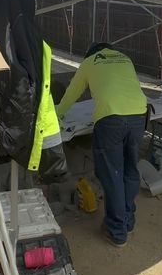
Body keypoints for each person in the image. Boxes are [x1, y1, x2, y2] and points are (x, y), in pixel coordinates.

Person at [57, 42, 148, 246]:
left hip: (111, 121)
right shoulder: (124, 58)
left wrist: (56, 114)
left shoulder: (90, 62)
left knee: (112, 174)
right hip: (138, 117)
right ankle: (128, 221)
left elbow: (72, 93)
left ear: (91, 54)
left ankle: (117, 232)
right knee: (129, 170)